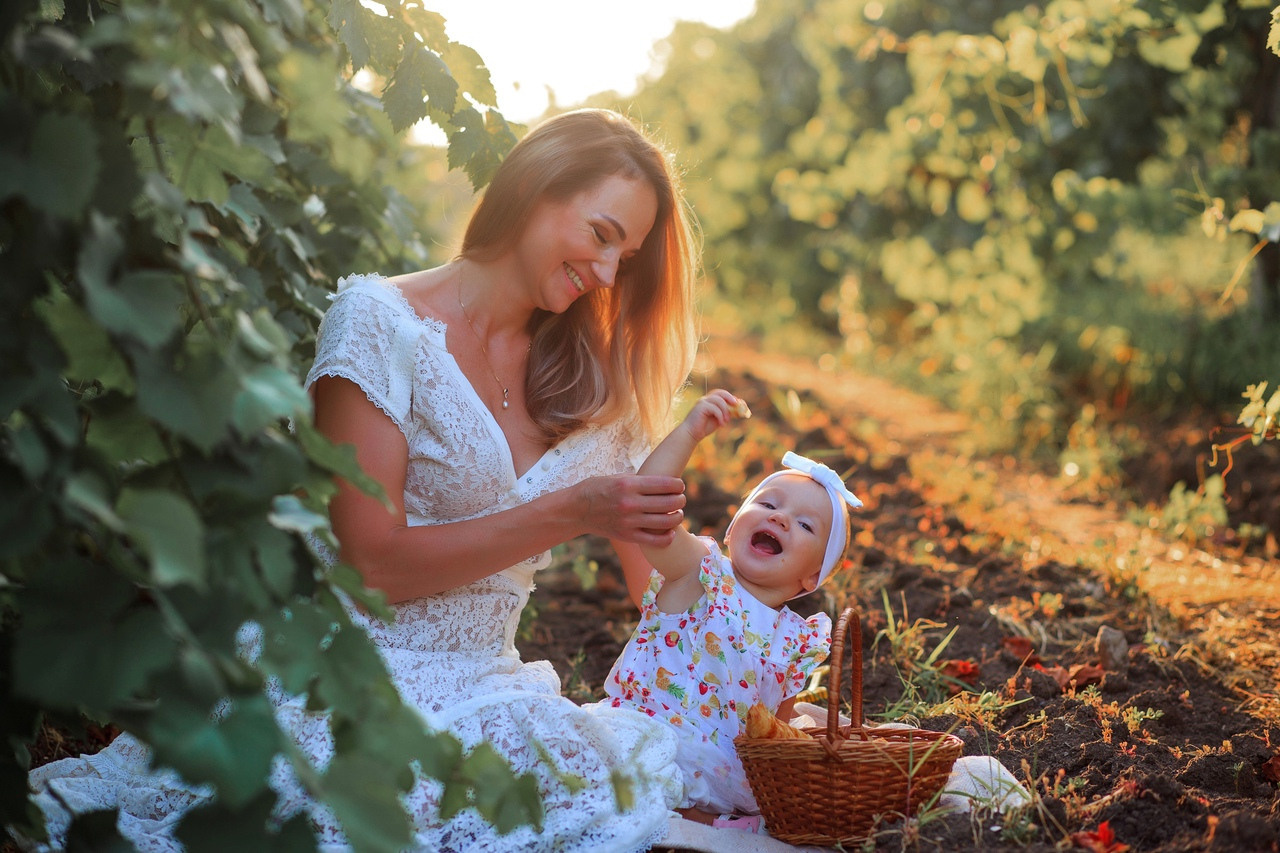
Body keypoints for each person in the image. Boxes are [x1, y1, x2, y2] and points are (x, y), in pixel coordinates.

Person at [22, 108, 700, 852]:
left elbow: (660, 575)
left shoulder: (588, 380)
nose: (607, 273)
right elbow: (370, 564)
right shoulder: (381, 321)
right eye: (602, 235)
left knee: (609, 790)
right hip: (346, 672)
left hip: (489, 684)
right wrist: (570, 510)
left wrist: (763, 610)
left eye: (625, 258)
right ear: (537, 185)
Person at [599, 389, 863, 823]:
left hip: (723, 773)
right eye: (767, 503)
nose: (779, 517)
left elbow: (773, 730)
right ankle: (676, 822)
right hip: (646, 736)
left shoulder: (799, 639)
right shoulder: (699, 573)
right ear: (732, 527)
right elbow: (648, 509)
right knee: (620, 774)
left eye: (804, 524)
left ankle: (702, 825)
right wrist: (690, 432)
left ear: (811, 578)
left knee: (730, 806)